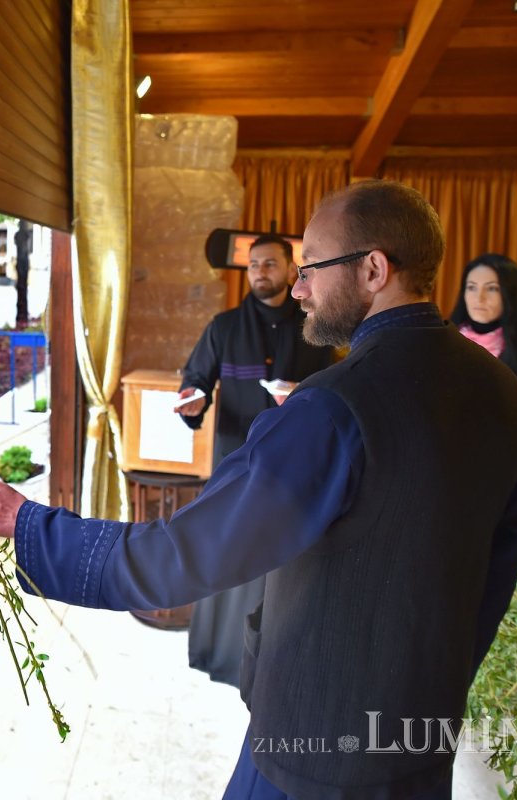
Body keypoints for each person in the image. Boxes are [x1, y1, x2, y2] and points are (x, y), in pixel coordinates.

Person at [0, 180, 517, 800]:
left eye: (311, 268)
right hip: (420, 742)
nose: (300, 286)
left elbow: (181, 555)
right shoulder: (504, 394)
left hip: (314, 750)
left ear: (373, 269)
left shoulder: (334, 408)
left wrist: (28, 522)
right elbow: (493, 582)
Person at [174, 233, 334, 687]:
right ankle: (222, 657)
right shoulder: (223, 327)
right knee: (228, 557)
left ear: (290, 271)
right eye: (254, 265)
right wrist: (191, 402)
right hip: (235, 463)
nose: (261, 272)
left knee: (287, 568)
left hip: (297, 468)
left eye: (270, 264)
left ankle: (280, 662)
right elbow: (195, 383)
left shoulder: (316, 327)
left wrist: (306, 397)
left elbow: (339, 387)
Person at [449, 252, 517, 404]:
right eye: (471, 287)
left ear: (511, 294)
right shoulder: (445, 340)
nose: (479, 297)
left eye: (492, 289)